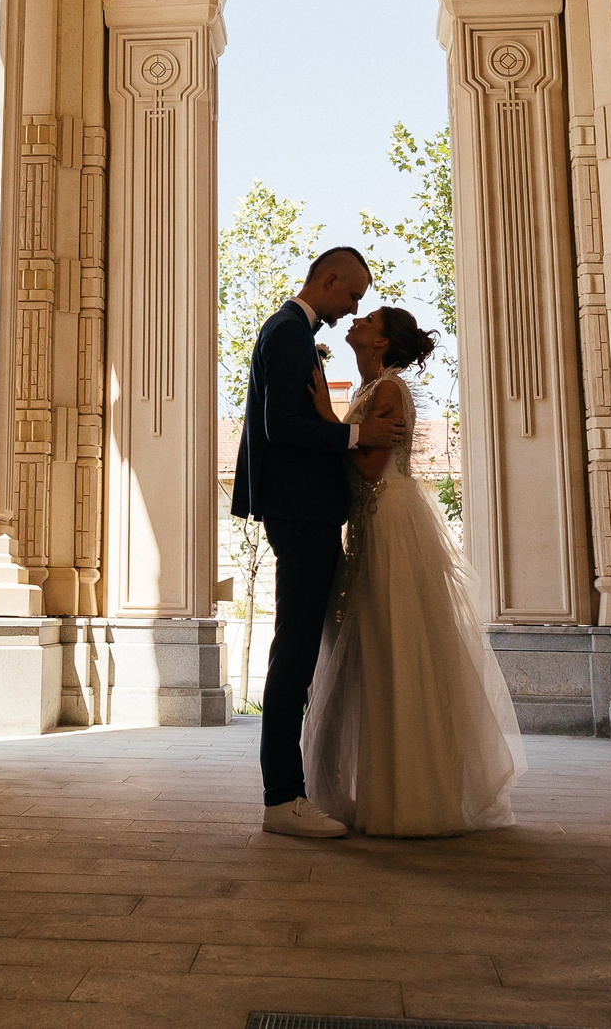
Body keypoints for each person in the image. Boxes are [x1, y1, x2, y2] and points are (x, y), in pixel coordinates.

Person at [302, 305, 527, 835]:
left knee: (394, 646)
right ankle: (386, 790)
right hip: (365, 523)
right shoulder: (368, 390)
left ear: (381, 344)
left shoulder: (387, 390)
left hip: (389, 525)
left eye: (369, 321)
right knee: (374, 651)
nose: (356, 322)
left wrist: (329, 421)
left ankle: (411, 799)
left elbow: (373, 465)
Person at [229, 246, 400, 838]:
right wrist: (354, 434)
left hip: (308, 511)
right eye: (352, 295)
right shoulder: (288, 333)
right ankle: (282, 797)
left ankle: (291, 789)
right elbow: (280, 426)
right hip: (301, 513)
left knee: (300, 650)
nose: (355, 306)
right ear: (329, 280)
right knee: (295, 652)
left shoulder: (293, 332)